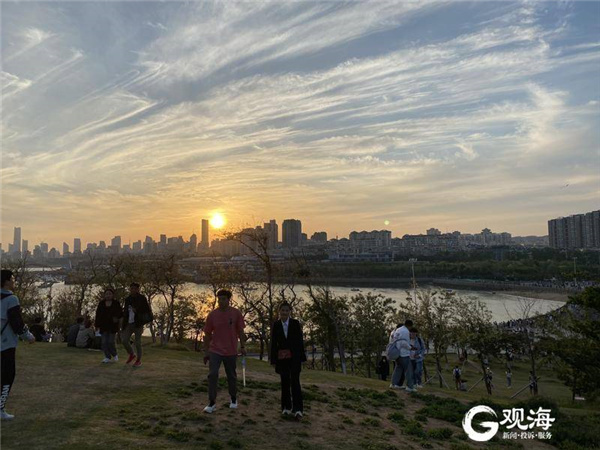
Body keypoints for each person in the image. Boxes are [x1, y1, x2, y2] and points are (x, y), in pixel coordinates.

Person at [202, 289, 246, 414]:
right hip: (215, 350)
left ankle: (233, 398)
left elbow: (241, 331)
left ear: (229, 299)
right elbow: (207, 333)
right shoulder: (212, 315)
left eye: (223, 299)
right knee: (213, 375)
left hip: (231, 350)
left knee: (231, 376)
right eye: (219, 299)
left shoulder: (236, 313)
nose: (221, 301)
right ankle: (212, 402)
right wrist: (206, 351)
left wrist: (243, 346)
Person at [1, 269, 35, 420]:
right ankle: (0, 409)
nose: (14, 281)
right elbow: (17, 324)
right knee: (7, 376)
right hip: (6, 344)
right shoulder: (11, 299)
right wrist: (28, 337)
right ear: (7, 281)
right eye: (12, 278)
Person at [270, 302, 307, 419]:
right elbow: (273, 343)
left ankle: (298, 409)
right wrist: (273, 359)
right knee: (284, 382)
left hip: (294, 357)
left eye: (287, 310)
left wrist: (302, 357)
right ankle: (286, 407)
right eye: (282, 310)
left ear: (290, 312)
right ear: (279, 311)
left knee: (295, 382)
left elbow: (300, 342)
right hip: (282, 358)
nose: (284, 312)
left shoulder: (295, 324)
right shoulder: (276, 325)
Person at [121, 283, 153, 367]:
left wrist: (137, 311)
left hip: (138, 323)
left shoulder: (142, 298)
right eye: (131, 288)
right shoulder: (127, 299)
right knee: (124, 340)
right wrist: (123, 322)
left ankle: (138, 360)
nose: (133, 290)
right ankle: (132, 354)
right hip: (129, 323)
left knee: (138, 342)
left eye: (135, 288)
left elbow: (146, 310)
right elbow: (125, 311)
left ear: (138, 289)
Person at [94, 288, 122, 363]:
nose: (108, 295)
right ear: (104, 295)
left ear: (112, 295)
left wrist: (116, 318)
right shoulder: (101, 304)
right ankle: (107, 357)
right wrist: (96, 325)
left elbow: (120, 313)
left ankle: (115, 354)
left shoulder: (116, 303)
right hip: (103, 325)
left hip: (112, 326)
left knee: (110, 341)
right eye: (106, 294)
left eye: (110, 294)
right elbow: (98, 315)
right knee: (104, 342)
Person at [389, 320, 416, 392]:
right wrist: (410, 347)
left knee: (398, 368)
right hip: (404, 353)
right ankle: (410, 386)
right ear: (410, 325)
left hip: (397, 352)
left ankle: (393, 384)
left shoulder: (398, 330)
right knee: (409, 370)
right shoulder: (405, 332)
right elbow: (403, 342)